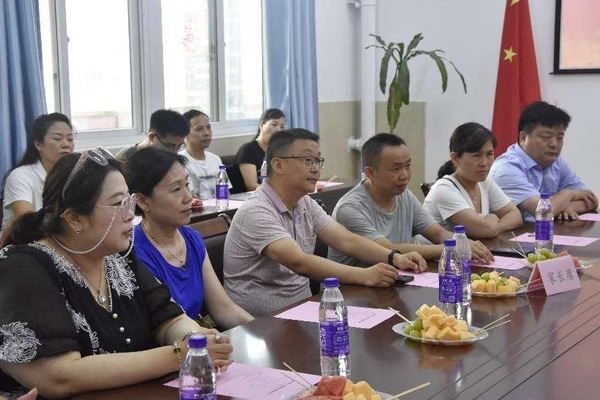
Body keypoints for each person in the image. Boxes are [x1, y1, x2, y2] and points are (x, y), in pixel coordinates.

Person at [0, 149, 232, 398]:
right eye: (117, 204)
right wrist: (178, 355)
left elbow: (168, 319)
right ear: (75, 219)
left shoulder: (118, 255)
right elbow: (59, 376)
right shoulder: (24, 267)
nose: (130, 214)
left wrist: (195, 340)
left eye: (129, 201)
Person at [223, 129, 427, 317]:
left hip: (304, 311)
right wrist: (365, 275)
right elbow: (299, 262)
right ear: (278, 165)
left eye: (318, 161)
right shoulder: (256, 211)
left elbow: (346, 240)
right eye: (307, 160)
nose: (316, 169)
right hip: (259, 324)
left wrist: (394, 257)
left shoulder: (304, 203)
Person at [127, 148, 253, 329]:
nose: (188, 197)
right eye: (176, 189)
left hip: (200, 337)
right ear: (142, 201)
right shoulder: (134, 252)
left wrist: (262, 330)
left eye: (187, 185)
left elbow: (223, 309)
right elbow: (165, 324)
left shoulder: (191, 239)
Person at [328, 133, 494, 266]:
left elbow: (438, 233)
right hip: (353, 290)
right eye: (396, 169)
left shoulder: (404, 195)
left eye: (408, 166)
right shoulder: (349, 208)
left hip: (396, 279)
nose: (405, 175)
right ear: (370, 173)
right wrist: (452, 248)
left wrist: (464, 243)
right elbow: (387, 250)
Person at [490, 101, 598, 222]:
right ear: (523, 138)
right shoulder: (505, 169)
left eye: (559, 137)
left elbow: (592, 199)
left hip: (545, 231)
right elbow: (543, 212)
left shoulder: (555, 162)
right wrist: (568, 194)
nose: (554, 144)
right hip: (513, 234)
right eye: (546, 137)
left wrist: (567, 207)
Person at [423, 123, 522, 238]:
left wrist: (495, 227)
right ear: (455, 158)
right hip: (441, 250)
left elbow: (515, 215)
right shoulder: (443, 190)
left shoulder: (485, 182)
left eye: (489, 154)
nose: (484, 163)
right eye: (477, 156)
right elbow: (484, 230)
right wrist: (492, 220)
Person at [2, 113, 74, 232]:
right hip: (23, 241)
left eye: (70, 139)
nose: (66, 145)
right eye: (57, 138)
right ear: (38, 145)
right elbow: (26, 224)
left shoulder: (73, 174)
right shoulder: (20, 176)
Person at [179, 110, 230, 199]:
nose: (206, 133)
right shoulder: (180, 161)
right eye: (199, 129)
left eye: (208, 127)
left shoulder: (215, 159)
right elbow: (187, 198)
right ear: (185, 134)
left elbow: (226, 194)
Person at [234, 108, 286, 191]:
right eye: (274, 124)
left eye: (282, 127)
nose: (278, 130)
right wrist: (280, 191)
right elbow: (251, 186)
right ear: (262, 125)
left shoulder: (279, 152)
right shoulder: (247, 150)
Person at [116, 109, 189, 161]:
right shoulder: (125, 159)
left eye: (179, 146)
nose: (175, 152)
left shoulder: (171, 159)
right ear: (152, 137)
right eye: (169, 146)